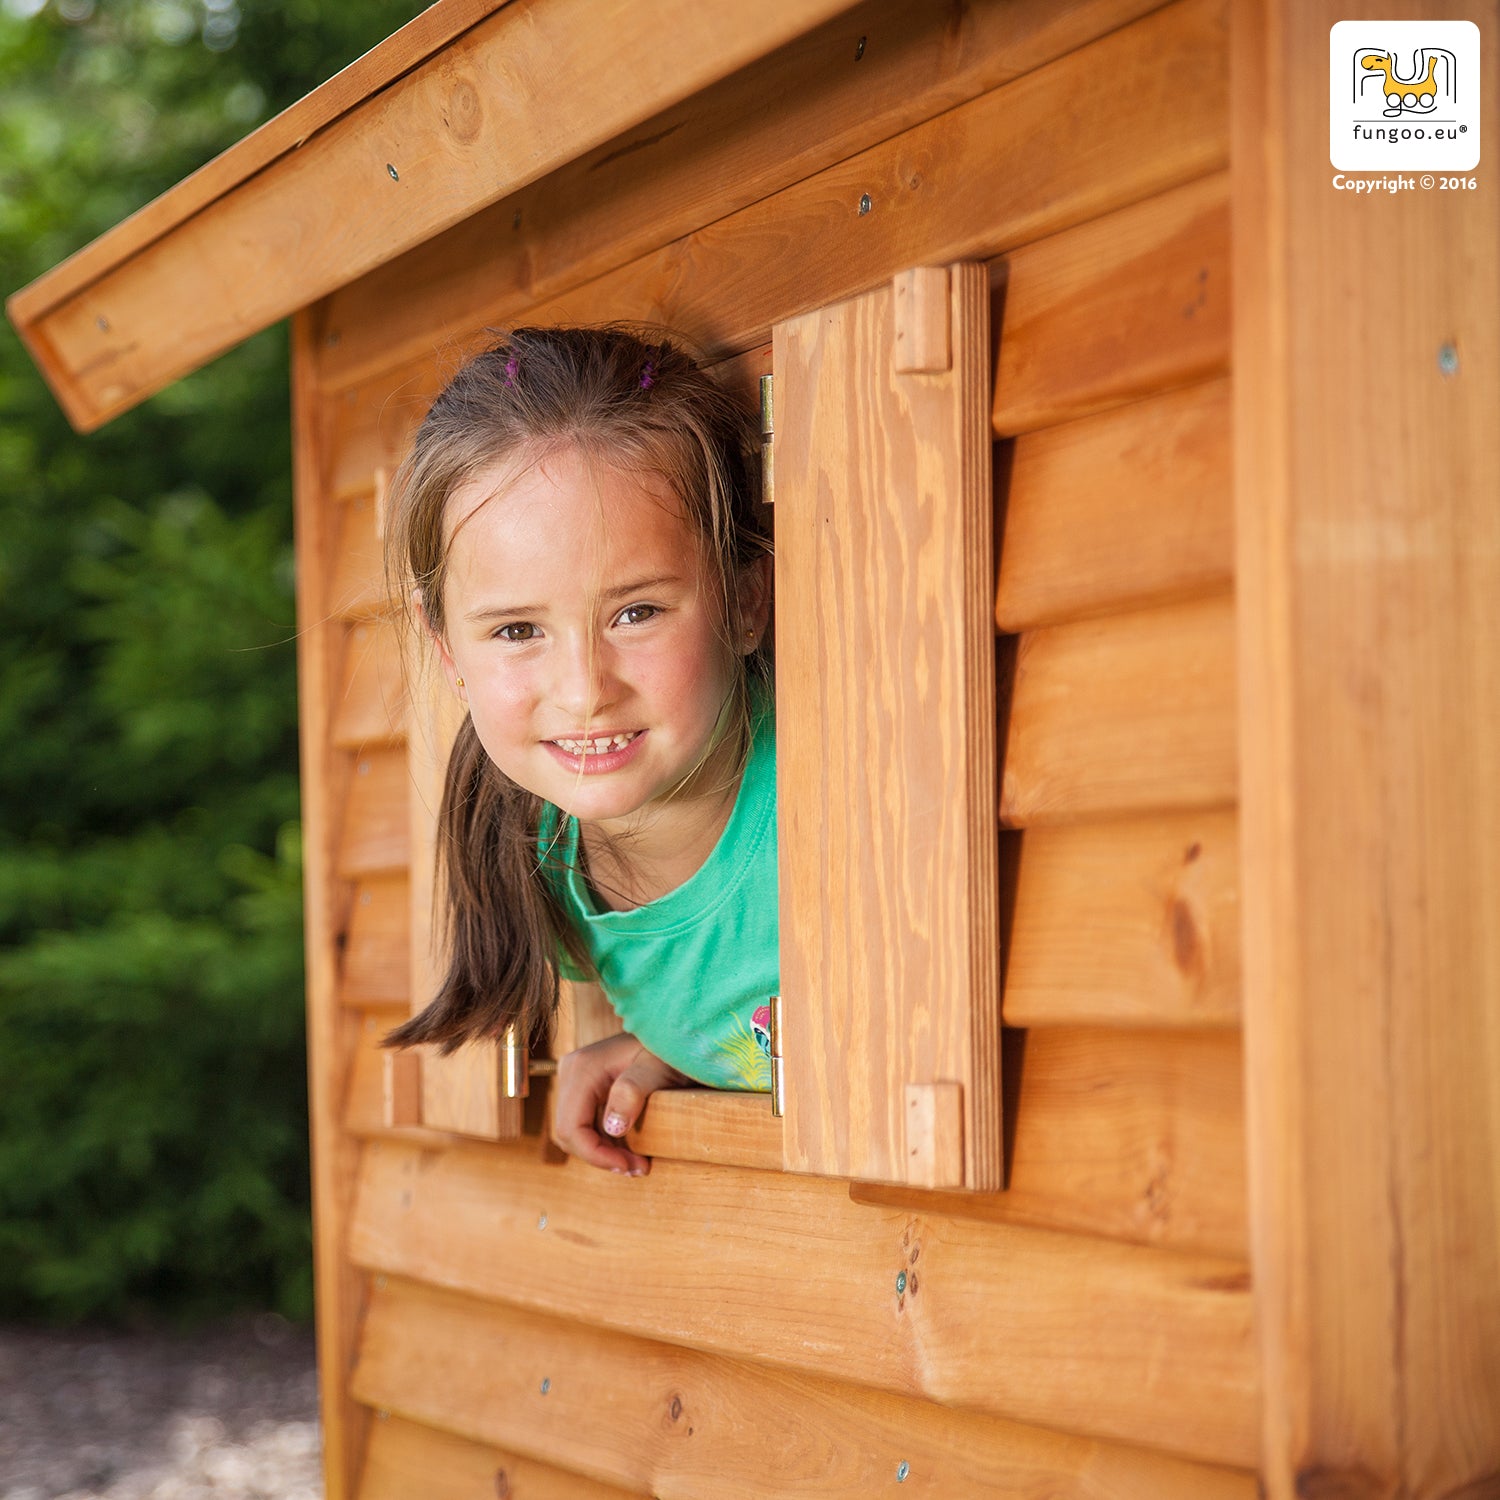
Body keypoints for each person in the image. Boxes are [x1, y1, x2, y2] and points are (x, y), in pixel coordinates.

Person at [381, 325, 776, 1177]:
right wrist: (678, 1047)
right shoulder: (541, 865)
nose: (583, 688)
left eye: (635, 612)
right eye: (518, 630)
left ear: (747, 599)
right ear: (447, 651)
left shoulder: (819, 795)